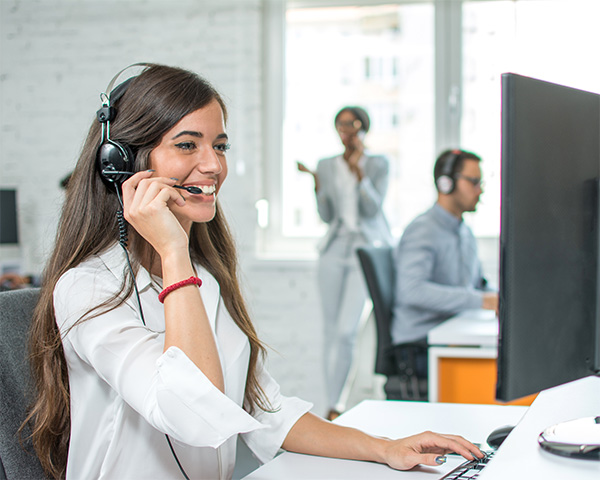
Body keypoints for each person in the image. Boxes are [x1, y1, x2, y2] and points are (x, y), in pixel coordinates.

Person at [23, 65, 482, 479]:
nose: (213, 166)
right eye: (187, 145)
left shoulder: (201, 278)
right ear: (121, 163)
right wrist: (173, 250)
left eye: (219, 146)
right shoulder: (89, 288)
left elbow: (265, 409)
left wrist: (384, 448)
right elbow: (192, 414)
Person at [297, 106, 393, 420]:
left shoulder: (378, 163)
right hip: (334, 248)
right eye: (340, 125)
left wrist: (359, 175)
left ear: (364, 128)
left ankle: (340, 400)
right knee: (329, 331)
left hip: (365, 248)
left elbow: (372, 210)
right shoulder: (326, 165)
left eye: (352, 125)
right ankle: (332, 405)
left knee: (345, 332)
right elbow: (326, 216)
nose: (346, 131)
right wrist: (316, 184)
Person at [390, 149, 498, 398]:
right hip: (420, 347)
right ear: (445, 183)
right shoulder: (423, 230)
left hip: (451, 335)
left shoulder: (464, 232)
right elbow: (411, 291)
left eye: (480, 182)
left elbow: (478, 285)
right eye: (473, 182)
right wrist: (481, 301)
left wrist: (500, 299)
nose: (479, 190)